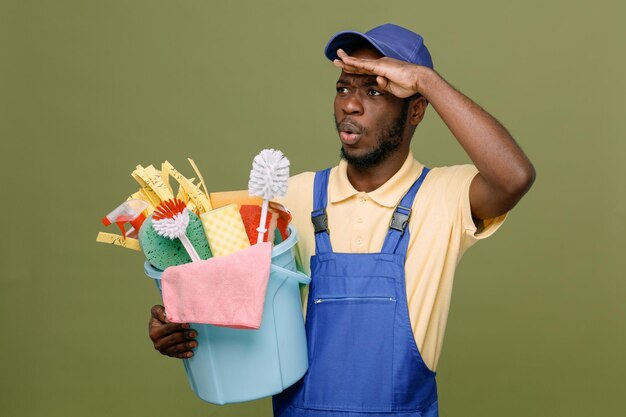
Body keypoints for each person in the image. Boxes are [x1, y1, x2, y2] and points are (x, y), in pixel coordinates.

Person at [148, 23, 535, 417]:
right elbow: (226, 289)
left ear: (415, 109)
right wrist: (179, 325)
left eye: (374, 91)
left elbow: (514, 177)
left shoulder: (444, 196)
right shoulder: (285, 200)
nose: (350, 105)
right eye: (343, 88)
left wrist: (423, 79)